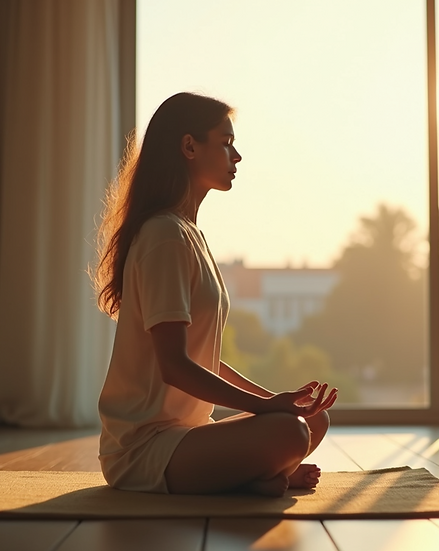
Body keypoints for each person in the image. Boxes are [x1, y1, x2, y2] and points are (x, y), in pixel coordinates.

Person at [93, 92, 338, 497]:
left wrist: (275, 400)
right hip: (144, 451)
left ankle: (256, 476)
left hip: (189, 436)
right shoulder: (163, 236)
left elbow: (201, 356)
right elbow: (175, 366)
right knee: (289, 431)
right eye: (226, 143)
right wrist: (267, 409)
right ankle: (254, 476)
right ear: (189, 146)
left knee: (312, 422)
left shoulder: (189, 235)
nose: (236, 156)